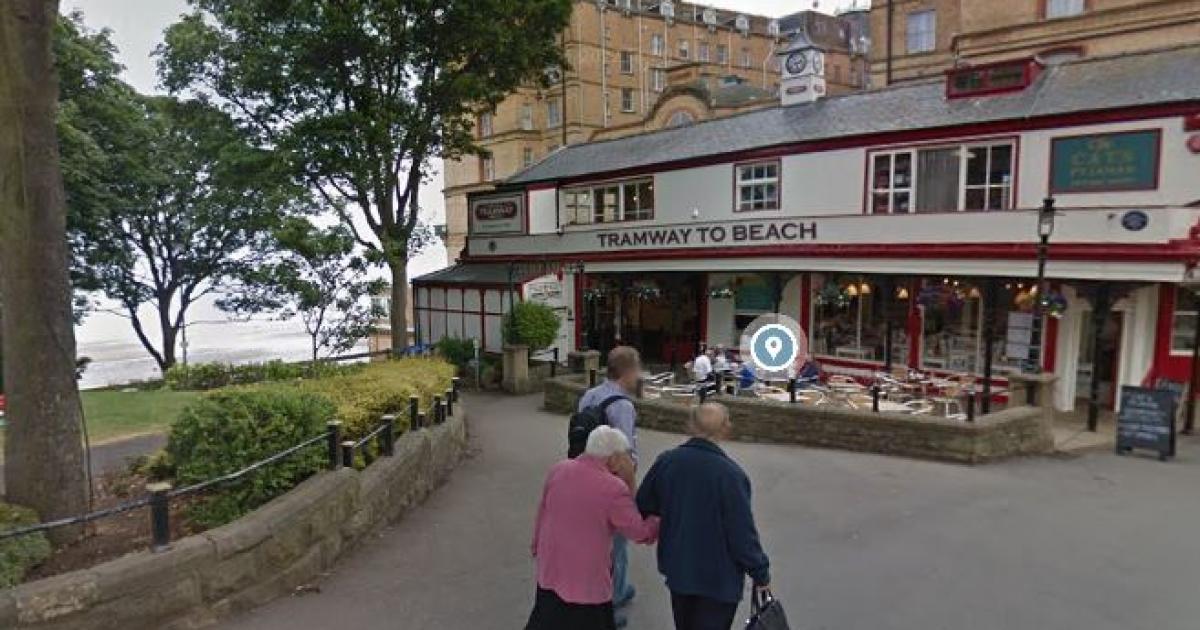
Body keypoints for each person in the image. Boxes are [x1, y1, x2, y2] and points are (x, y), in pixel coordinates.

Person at [636, 403, 772, 630]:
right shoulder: (730, 475)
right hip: (718, 579)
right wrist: (760, 572)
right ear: (725, 429)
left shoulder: (667, 462)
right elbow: (741, 533)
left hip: (679, 569)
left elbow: (644, 503)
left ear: (691, 425)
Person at [526, 426, 659, 630]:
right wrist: (656, 517)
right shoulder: (614, 488)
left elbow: (543, 512)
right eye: (625, 455)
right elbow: (639, 532)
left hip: (552, 567)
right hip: (587, 581)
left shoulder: (559, 469)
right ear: (613, 458)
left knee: (547, 618)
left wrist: (536, 546)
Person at [576, 346, 642, 622]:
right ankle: (613, 599)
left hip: (584, 476)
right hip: (611, 481)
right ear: (628, 371)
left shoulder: (590, 395)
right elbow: (624, 454)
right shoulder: (622, 405)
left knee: (592, 541)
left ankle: (595, 594)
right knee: (617, 545)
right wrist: (631, 492)